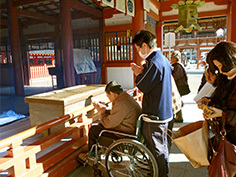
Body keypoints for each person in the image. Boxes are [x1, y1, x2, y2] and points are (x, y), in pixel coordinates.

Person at [131, 30, 173, 177]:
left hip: (155, 114)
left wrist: (138, 73)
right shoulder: (163, 59)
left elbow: (142, 85)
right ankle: (162, 172)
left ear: (144, 45)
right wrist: (143, 71)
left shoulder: (154, 62)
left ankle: (161, 174)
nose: (138, 53)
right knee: (163, 147)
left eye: (138, 49)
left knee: (157, 149)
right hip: (165, 111)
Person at [78, 81, 142, 161]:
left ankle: (91, 157)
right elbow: (118, 114)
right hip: (131, 130)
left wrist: (101, 113)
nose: (108, 98)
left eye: (108, 96)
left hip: (124, 135)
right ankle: (95, 153)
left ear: (112, 93)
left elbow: (108, 124)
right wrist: (105, 110)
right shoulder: (126, 97)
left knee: (94, 130)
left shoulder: (120, 103)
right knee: (100, 126)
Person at [197, 41, 236, 147]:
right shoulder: (223, 78)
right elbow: (221, 102)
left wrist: (223, 114)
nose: (220, 70)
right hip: (225, 139)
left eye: (220, 66)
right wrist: (208, 103)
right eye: (217, 67)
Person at [170, 50, 189, 122]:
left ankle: (179, 117)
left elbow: (176, 76)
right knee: (178, 101)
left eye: (172, 57)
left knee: (177, 101)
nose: (171, 58)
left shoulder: (177, 66)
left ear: (176, 58)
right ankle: (178, 116)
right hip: (180, 86)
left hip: (179, 87)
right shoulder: (178, 65)